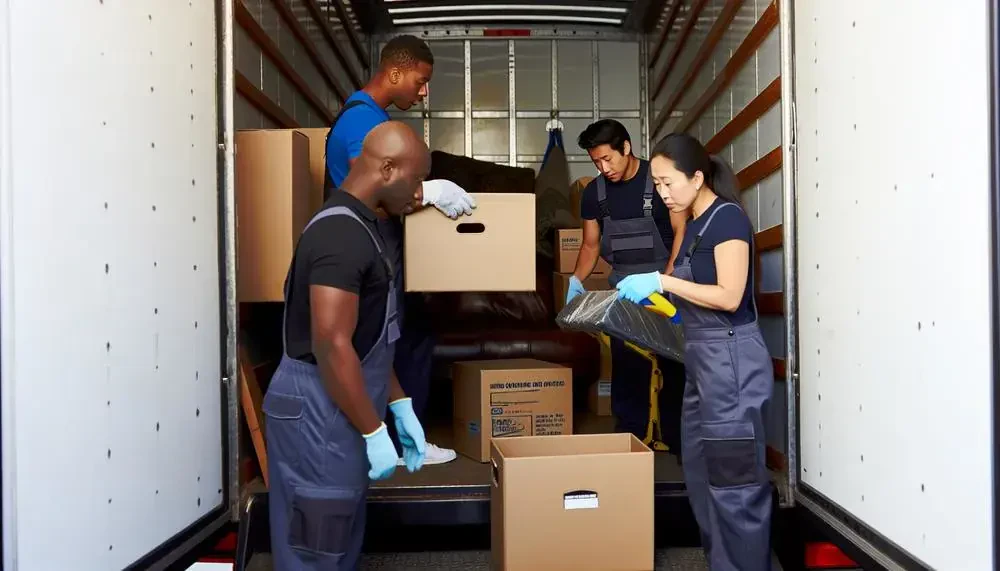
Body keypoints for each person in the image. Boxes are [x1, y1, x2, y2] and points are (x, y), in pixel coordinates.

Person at [263, 122, 433, 570]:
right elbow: (332, 343)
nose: (418, 194)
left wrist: (399, 406)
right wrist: (375, 431)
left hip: (343, 408)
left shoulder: (366, 226)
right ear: (388, 169)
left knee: (338, 539)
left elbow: (369, 342)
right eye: (416, 180)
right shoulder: (339, 235)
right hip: (318, 415)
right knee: (316, 547)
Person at [615, 132, 774, 571]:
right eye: (658, 185)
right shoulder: (692, 225)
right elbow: (696, 296)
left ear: (698, 177)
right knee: (702, 477)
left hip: (732, 363)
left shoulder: (728, 220)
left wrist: (662, 282)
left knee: (735, 484)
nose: (663, 194)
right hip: (700, 360)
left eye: (669, 183)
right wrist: (662, 306)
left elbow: (729, 295)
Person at [325, 34, 476, 466]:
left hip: (379, 247)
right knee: (391, 341)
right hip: (368, 250)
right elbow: (370, 185)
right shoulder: (361, 122)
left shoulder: (370, 117)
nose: (424, 91)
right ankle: (400, 441)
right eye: (421, 80)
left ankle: (403, 436)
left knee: (407, 336)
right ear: (394, 72)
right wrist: (430, 190)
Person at [568, 119, 688, 453]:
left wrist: (666, 279)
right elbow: (591, 244)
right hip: (624, 291)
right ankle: (632, 440)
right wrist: (575, 281)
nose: (603, 168)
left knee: (672, 364)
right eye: (596, 162)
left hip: (663, 286)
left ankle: (675, 439)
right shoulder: (595, 193)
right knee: (628, 365)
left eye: (608, 159)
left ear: (626, 147)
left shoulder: (659, 180)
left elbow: (681, 230)